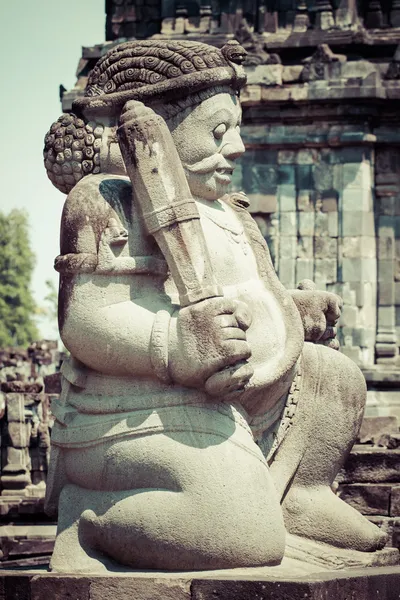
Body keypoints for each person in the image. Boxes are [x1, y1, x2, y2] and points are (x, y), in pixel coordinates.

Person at [44, 39, 386, 573]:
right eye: (219, 132)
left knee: (334, 377)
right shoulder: (107, 200)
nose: (239, 148)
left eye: (238, 130)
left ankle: (298, 492)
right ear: (158, 132)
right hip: (144, 405)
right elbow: (84, 321)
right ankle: (91, 515)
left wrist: (292, 309)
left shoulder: (230, 212)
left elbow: (246, 288)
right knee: (239, 537)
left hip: (250, 395)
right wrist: (174, 345)